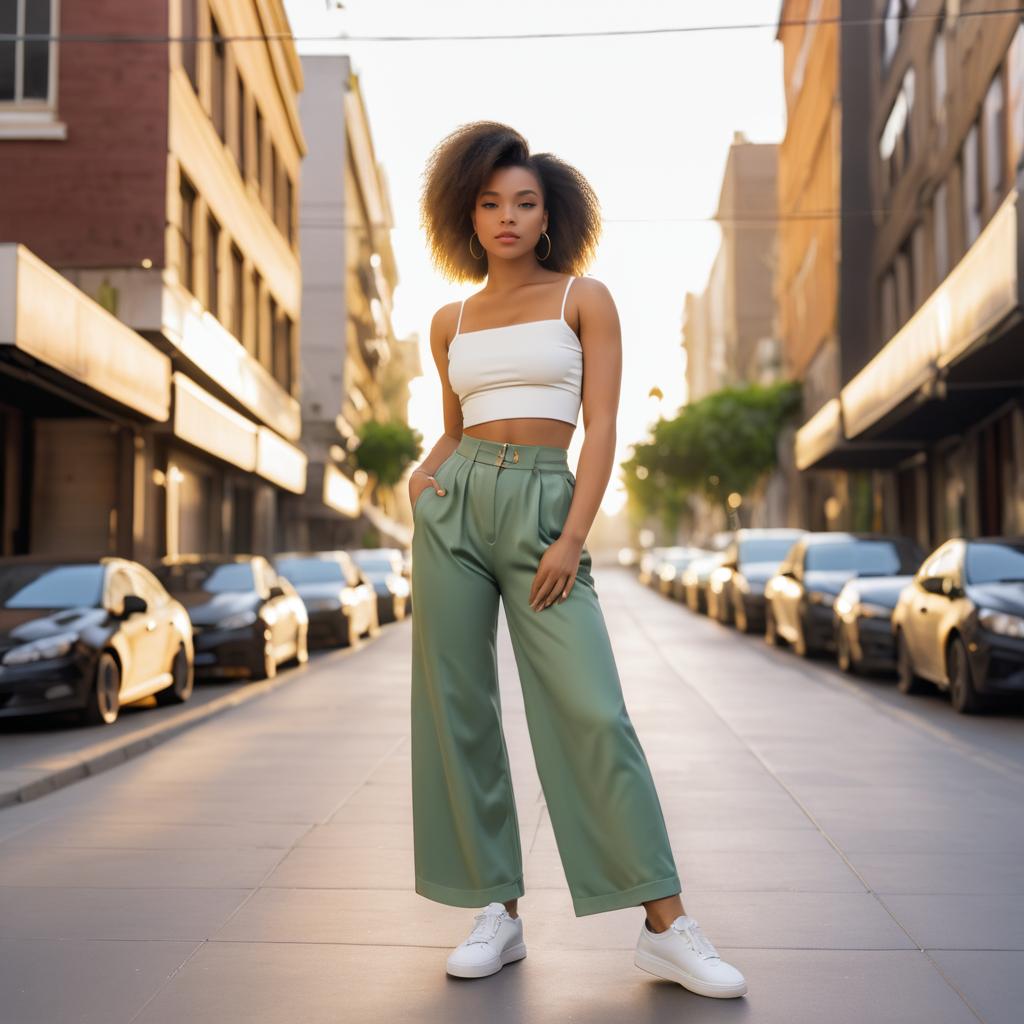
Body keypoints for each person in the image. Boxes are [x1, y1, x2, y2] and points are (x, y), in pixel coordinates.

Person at [408, 120, 747, 1000]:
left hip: (545, 505)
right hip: (456, 508)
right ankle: (496, 909)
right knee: (459, 709)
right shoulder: (448, 318)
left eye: (523, 202)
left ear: (550, 214)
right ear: (468, 215)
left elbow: (601, 427)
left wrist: (571, 536)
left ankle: (666, 926)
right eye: (489, 203)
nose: (507, 217)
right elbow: (451, 429)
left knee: (593, 712)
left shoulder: (582, 300)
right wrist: (425, 476)